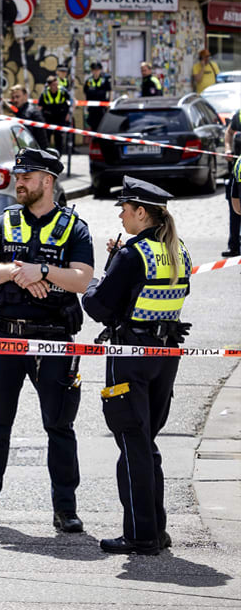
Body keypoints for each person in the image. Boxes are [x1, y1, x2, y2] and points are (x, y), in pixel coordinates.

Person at [0, 148, 95, 534]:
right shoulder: (3, 223)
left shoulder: (74, 228)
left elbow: (83, 280)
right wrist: (21, 273)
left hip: (53, 337)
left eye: (27, 176)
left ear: (48, 181)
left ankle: (65, 509)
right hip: (5, 334)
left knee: (59, 426)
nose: (18, 182)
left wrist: (44, 270)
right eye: (18, 175)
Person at [82, 176, 188, 556]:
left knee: (131, 444)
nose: (123, 217)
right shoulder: (178, 250)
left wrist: (99, 277)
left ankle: (140, 535)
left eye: (126, 210)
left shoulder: (131, 255)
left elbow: (97, 306)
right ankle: (156, 528)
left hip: (129, 355)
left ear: (141, 212)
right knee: (146, 442)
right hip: (165, 355)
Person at [39, 75, 74, 155]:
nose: (56, 86)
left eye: (56, 84)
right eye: (54, 85)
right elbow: (40, 107)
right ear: (49, 85)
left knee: (58, 136)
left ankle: (59, 154)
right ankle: (46, 154)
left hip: (60, 117)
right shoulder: (45, 93)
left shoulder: (63, 91)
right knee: (47, 136)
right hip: (48, 117)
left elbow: (71, 102)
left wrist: (69, 114)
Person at [224, 114, 241, 258]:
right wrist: (227, 149)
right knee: (234, 209)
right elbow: (229, 132)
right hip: (237, 171)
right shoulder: (239, 115)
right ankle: (235, 246)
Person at [83, 62, 112, 132]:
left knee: (101, 126)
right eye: (94, 70)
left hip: (102, 108)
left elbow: (110, 91)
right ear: (92, 71)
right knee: (93, 127)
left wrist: (109, 104)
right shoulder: (89, 81)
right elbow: (85, 92)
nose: (96, 72)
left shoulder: (104, 80)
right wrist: (86, 104)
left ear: (100, 70)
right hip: (92, 109)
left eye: (97, 70)